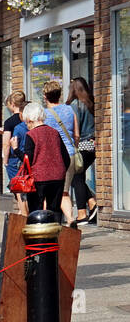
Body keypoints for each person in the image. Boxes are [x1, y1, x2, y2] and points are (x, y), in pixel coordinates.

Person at [40, 79, 80, 228]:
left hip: (51, 157)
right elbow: (76, 135)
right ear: (60, 94)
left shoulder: (43, 115)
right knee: (64, 191)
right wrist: (72, 147)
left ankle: (47, 222)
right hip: (69, 154)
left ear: (45, 96)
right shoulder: (70, 110)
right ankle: (70, 219)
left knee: (47, 191)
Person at [20, 101, 69, 217]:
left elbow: (28, 160)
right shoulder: (55, 133)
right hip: (57, 176)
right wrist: (60, 171)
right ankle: (56, 233)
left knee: (36, 211)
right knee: (55, 210)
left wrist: (16, 150)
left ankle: (38, 233)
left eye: (27, 122)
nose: (27, 125)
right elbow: (66, 158)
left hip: (38, 178)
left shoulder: (31, 135)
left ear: (30, 120)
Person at [68, 77, 98, 224]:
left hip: (81, 145)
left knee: (76, 177)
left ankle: (82, 213)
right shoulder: (91, 102)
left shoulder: (75, 105)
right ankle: (91, 203)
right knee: (77, 177)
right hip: (92, 145)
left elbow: (75, 128)